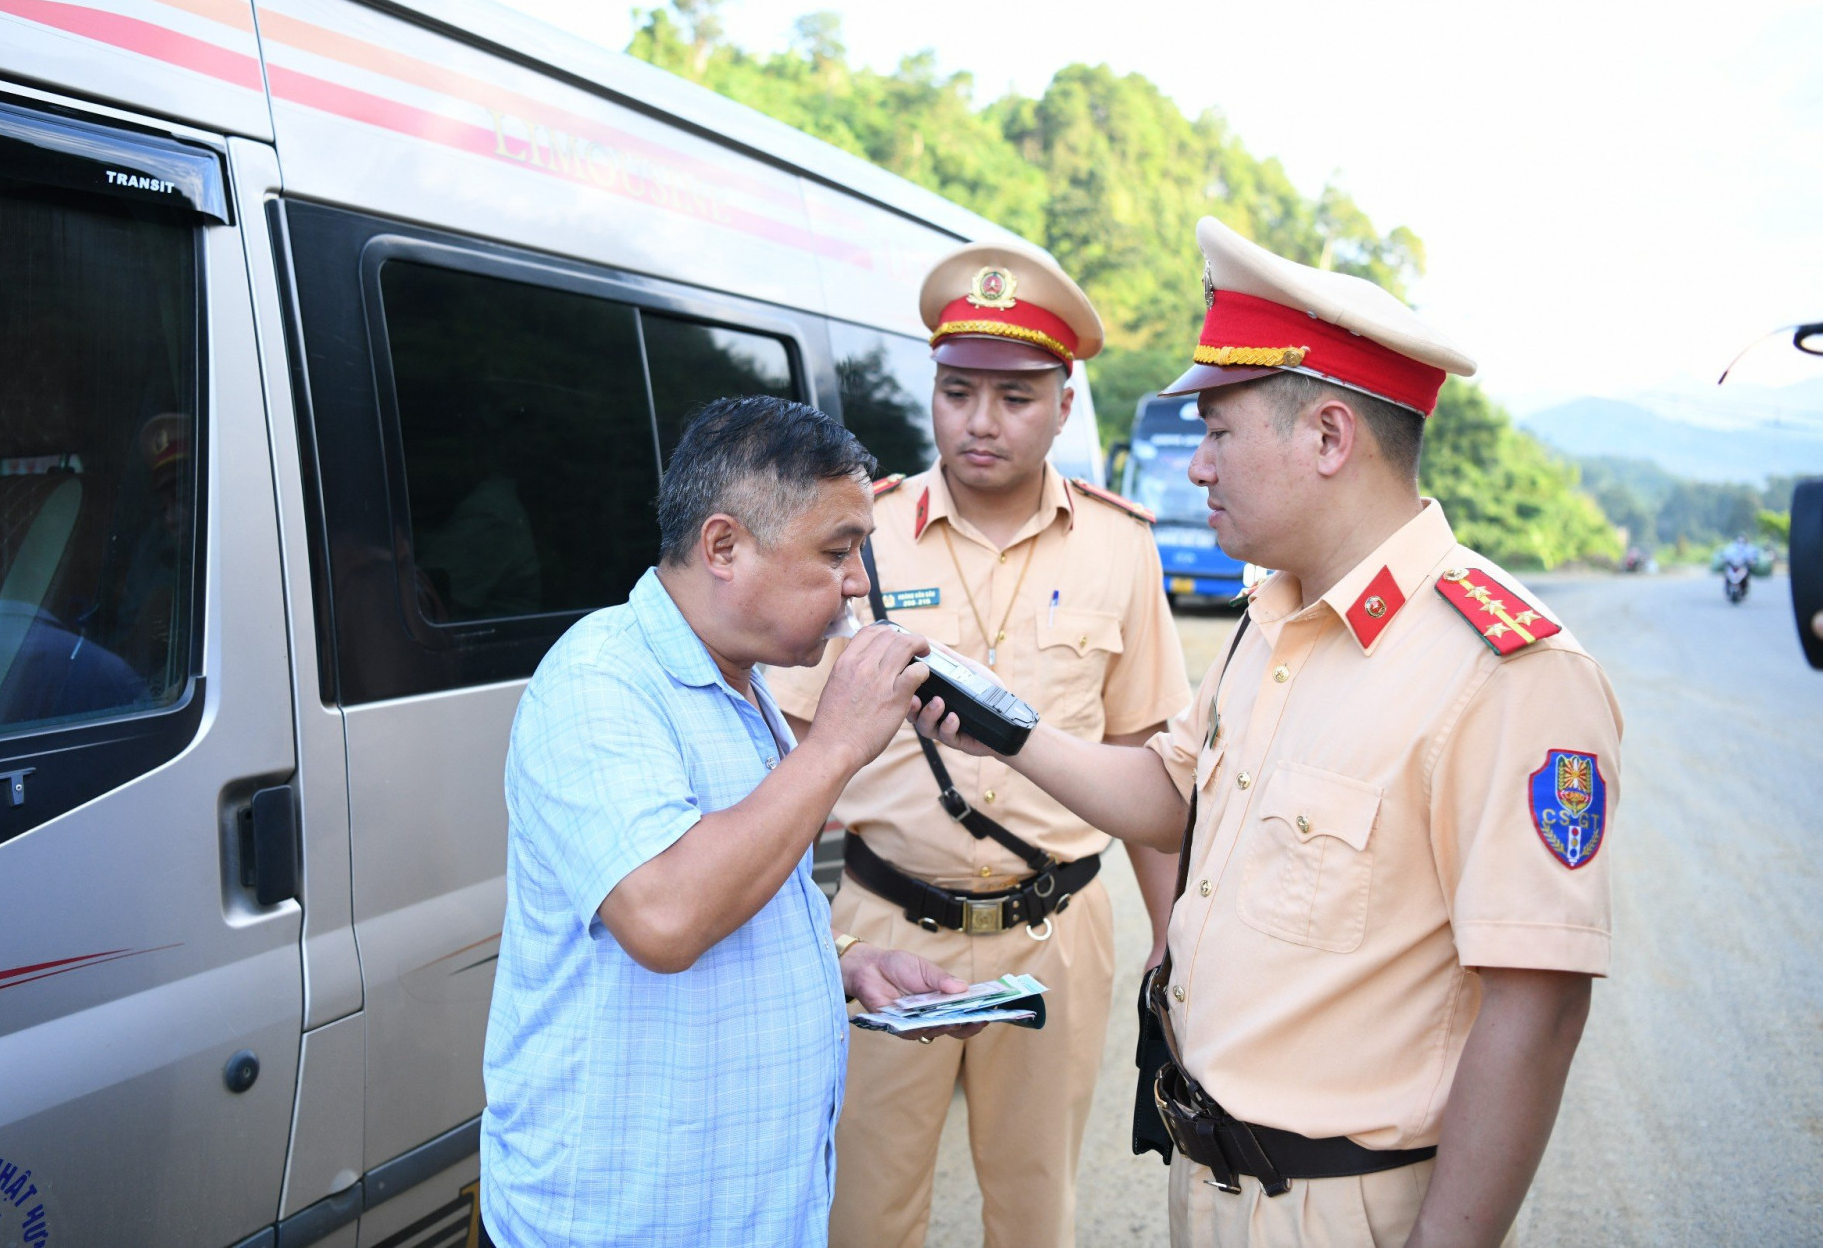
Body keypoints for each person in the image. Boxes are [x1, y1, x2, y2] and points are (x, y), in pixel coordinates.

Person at [915, 218, 1623, 1248]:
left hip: (1346, 1208)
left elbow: (1539, 1004)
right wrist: (1006, 731)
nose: (1195, 467)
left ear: (1327, 436)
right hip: (1208, 1183)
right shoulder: (1274, 614)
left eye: (1218, 431)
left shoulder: (1505, 669)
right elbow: (1169, 797)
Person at [478, 396, 982, 1248]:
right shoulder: (599, 682)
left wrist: (850, 963)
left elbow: (746, 873)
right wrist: (836, 746)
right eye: (837, 551)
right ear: (723, 546)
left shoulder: (743, 684)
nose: (859, 581)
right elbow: (667, 916)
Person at [768, 239, 1193, 1248]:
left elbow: (1146, 763)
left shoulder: (1119, 545)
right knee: (863, 1212)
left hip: (1057, 933)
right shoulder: (858, 534)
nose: (980, 421)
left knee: (1034, 1209)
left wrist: (1177, 940)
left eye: (1012, 396)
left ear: (1061, 400)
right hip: (882, 924)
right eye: (957, 391)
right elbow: (782, 755)